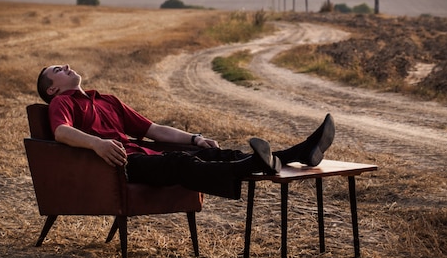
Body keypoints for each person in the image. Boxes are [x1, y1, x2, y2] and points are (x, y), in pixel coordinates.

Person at [36, 64, 335, 199]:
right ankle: (259, 162)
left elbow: (153, 129)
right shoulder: (61, 102)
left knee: (212, 153)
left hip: (144, 154)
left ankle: (300, 152)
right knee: (179, 162)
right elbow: (61, 132)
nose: (66, 65)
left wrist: (195, 138)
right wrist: (97, 145)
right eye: (57, 70)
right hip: (119, 165)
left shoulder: (105, 100)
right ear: (53, 88)